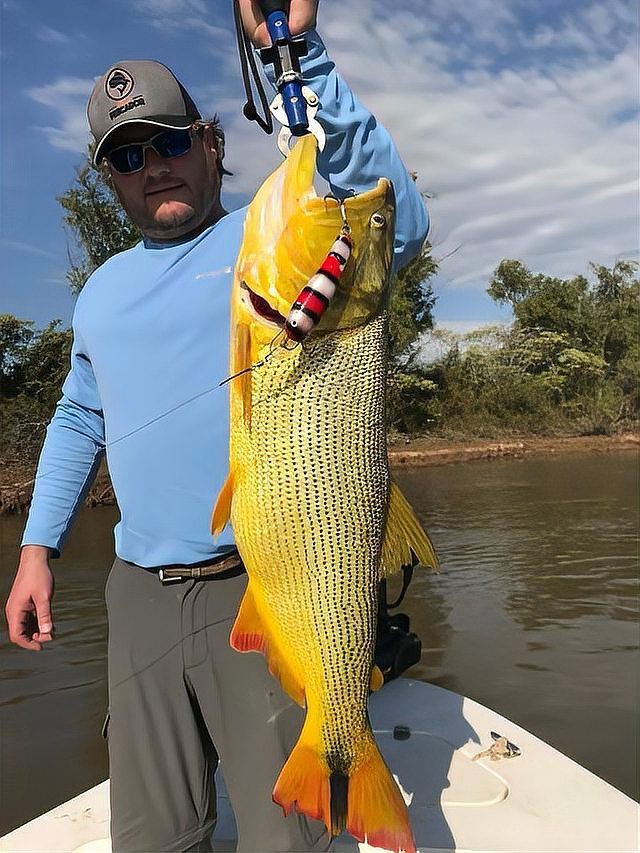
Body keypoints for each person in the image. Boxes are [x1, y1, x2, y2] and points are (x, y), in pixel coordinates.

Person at [5, 1, 429, 850]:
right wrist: (36, 549)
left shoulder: (271, 238)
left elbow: (391, 215)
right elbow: (77, 416)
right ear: (112, 178)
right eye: (127, 157)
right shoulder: (100, 292)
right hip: (137, 593)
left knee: (284, 834)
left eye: (166, 142)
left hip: (267, 579)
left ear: (210, 142)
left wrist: (294, 50)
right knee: (152, 833)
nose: (152, 167)